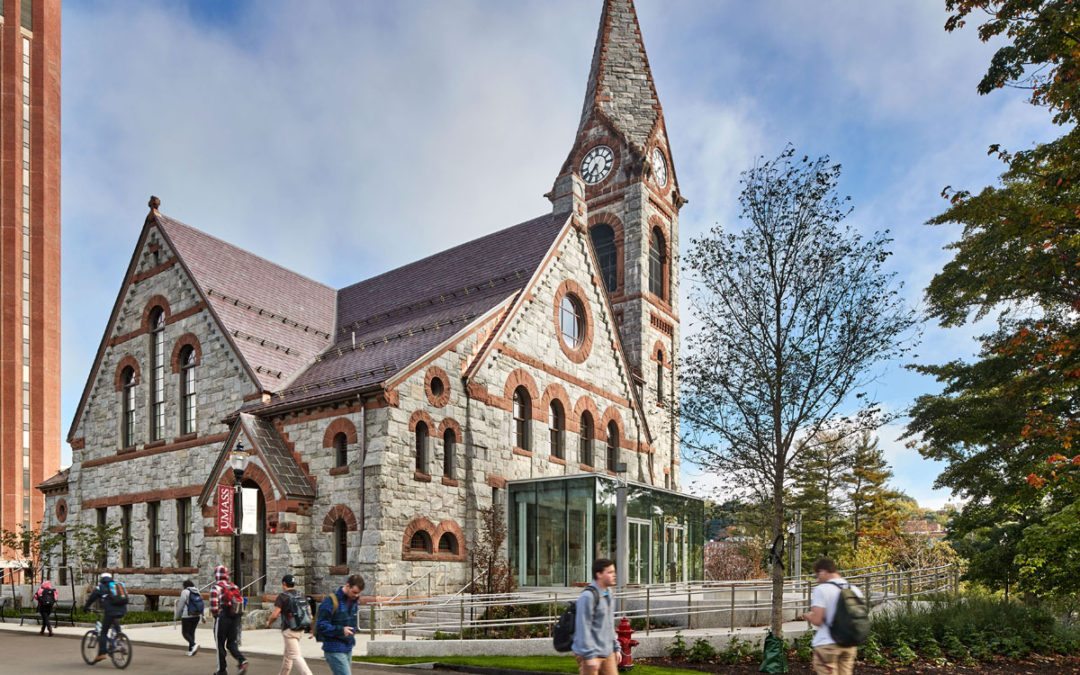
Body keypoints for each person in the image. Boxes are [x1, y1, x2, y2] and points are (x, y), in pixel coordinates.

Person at [801, 557, 863, 675]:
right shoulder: (854, 589)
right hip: (849, 644)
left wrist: (807, 616)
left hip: (828, 644)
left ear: (823, 571)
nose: (817, 579)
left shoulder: (822, 589)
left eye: (817, 574)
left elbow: (818, 620)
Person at [571, 558, 621, 675]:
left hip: (607, 651)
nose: (614, 575)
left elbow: (609, 625)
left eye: (614, 572)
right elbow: (583, 628)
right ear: (599, 574)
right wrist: (589, 656)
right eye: (609, 572)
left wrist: (616, 648)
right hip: (590, 653)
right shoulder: (588, 596)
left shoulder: (608, 593)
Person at [316, 574, 364, 675]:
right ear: (347, 585)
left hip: (347, 646)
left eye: (358, 593)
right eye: (354, 592)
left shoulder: (354, 601)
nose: (356, 595)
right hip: (334, 647)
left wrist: (352, 631)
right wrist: (341, 630)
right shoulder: (330, 601)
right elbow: (321, 625)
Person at [266, 574, 314, 675]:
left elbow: (275, 615)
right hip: (300, 629)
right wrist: (312, 628)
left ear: (284, 584)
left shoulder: (282, 596)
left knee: (296, 656)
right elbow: (309, 612)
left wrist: (269, 623)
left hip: (289, 631)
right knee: (288, 657)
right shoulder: (301, 594)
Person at [209, 565, 248, 675]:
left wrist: (217, 616)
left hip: (222, 618)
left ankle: (221, 670)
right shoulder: (234, 586)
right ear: (226, 575)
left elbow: (213, 606)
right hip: (234, 617)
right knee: (231, 644)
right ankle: (242, 660)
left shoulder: (216, 587)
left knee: (220, 645)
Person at [83, 572, 128, 664]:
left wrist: (85, 607)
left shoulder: (100, 587)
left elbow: (92, 598)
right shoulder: (116, 585)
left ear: (101, 578)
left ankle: (102, 653)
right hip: (122, 610)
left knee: (103, 632)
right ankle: (120, 642)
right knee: (116, 626)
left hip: (110, 611)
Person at [174, 579, 203, 656]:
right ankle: (191, 650)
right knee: (191, 632)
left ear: (185, 586)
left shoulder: (185, 592)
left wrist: (176, 615)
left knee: (185, 633)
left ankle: (194, 645)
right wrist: (202, 615)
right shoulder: (197, 591)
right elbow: (201, 603)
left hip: (187, 615)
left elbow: (181, 605)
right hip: (196, 615)